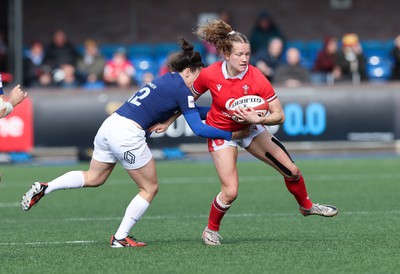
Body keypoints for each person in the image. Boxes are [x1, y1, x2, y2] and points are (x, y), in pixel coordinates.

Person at [20, 37, 249, 248]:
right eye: (198, 75)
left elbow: (192, 109)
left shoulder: (167, 79)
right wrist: (231, 135)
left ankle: (46, 187)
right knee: (149, 188)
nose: (200, 81)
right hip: (128, 134)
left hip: (110, 125)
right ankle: (119, 238)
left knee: (94, 177)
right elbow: (197, 128)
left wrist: (224, 111)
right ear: (188, 71)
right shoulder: (182, 89)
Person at [192, 20, 338, 245]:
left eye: (247, 54)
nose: (244, 59)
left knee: (293, 172)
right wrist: (169, 119)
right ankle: (210, 230)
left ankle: (307, 207)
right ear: (225, 54)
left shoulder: (256, 76)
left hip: (250, 129)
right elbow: (186, 100)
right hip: (221, 132)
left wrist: (256, 119)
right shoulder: (210, 74)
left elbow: (279, 115)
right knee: (230, 192)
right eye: (239, 54)